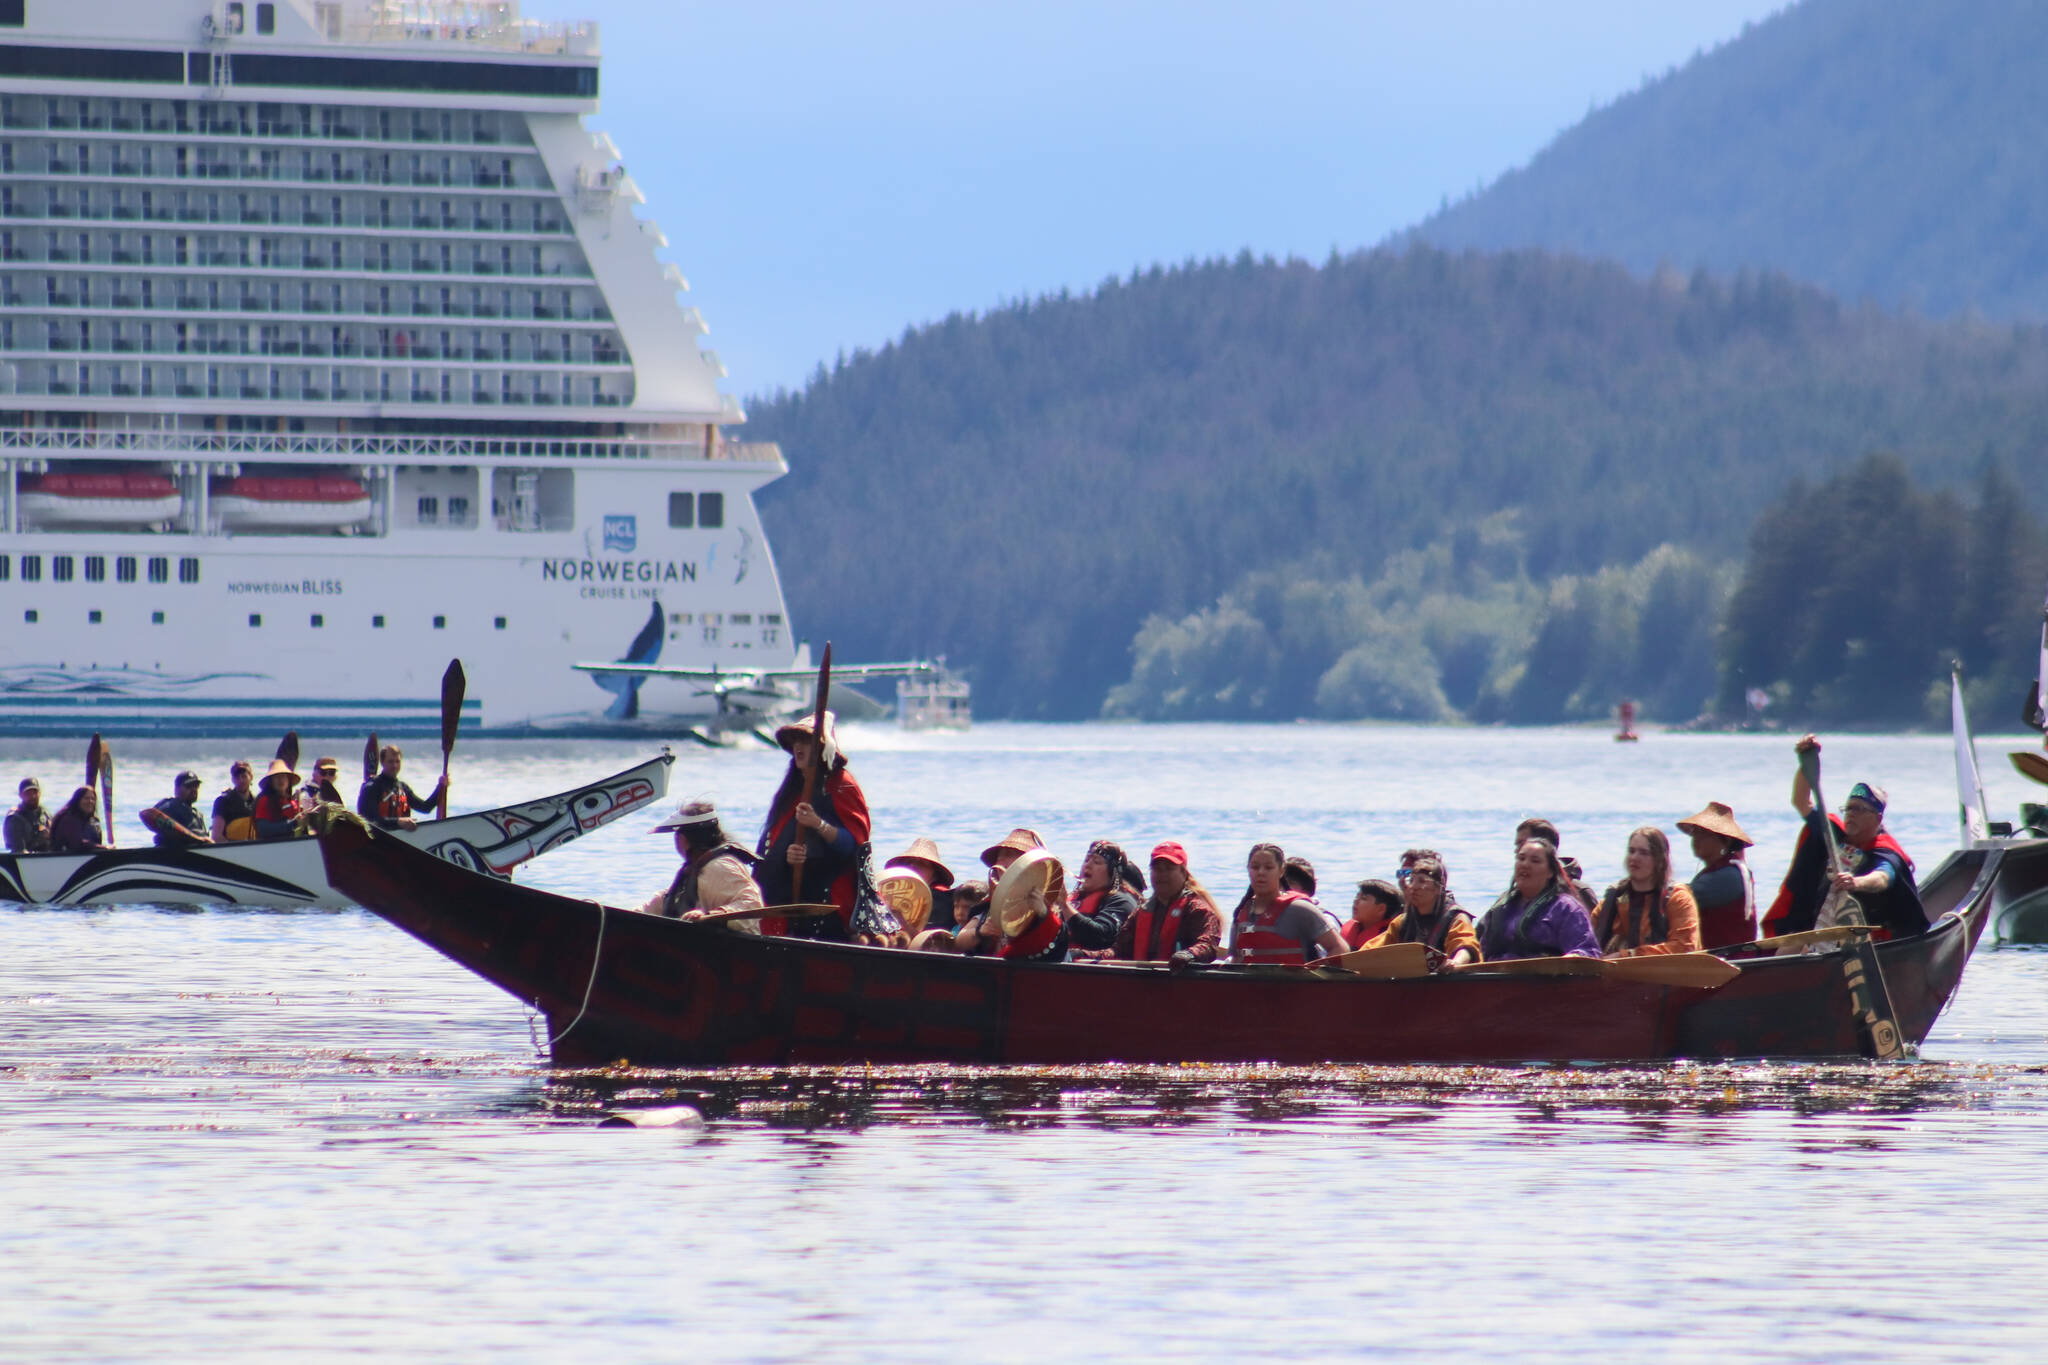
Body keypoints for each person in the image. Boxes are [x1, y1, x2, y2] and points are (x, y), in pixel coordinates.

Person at [1763, 734, 1928, 940]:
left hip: (1874, 935)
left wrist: (1856, 883)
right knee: (1787, 948)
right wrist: (1806, 761)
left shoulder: (1885, 850)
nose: (1850, 814)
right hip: (1822, 926)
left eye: (1859, 809)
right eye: (1848, 808)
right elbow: (1800, 801)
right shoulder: (1834, 832)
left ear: (1877, 819)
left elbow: (1882, 878)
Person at [754, 712, 877, 942]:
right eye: (795, 741)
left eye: (806, 741)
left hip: (829, 901)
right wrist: (788, 856)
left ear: (822, 748)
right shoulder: (791, 790)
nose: (798, 747)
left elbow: (853, 844)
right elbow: (774, 843)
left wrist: (818, 824)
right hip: (789, 901)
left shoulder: (842, 784)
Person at [636, 800, 764, 932]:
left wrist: (713, 915)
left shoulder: (718, 867)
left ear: (683, 840)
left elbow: (752, 903)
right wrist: (635, 914)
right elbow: (663, 901)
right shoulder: (695, 870)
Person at [1091, 841, 1223, 964]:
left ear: (1183, 873)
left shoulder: (1198, 910)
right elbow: (1118, 950)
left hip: (1179, 977)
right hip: (1142, 979)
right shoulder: (1141, 911)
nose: (1162, 874)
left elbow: (1208, 945)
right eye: (1157, 869)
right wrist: (1086, 955)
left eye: (1168, 868)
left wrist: (1188, 955)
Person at [1470, 839, 1601, 963]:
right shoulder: (1501, 907)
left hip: (1545, 977)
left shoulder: (1566, 909)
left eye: (1535, 861)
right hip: (1495, 976)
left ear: (1550, 872)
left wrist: (1570, 959)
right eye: (1521, 858)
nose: (1525, 864)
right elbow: (1478, 948)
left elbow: (1588, 951)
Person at [1228, 842, 1349, 965]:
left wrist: (1314, 973)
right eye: (1255, 867)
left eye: (1269, 867)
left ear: (1281, 871)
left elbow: (1340, 948)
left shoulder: (1300, 909)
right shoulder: (1241, 913)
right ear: (1248, 870)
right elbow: (1235, 960)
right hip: (1249, 978)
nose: (1261, 872)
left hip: (1296, 977)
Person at [1593, 827, 1702, 957]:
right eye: (1631, 851)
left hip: (1667, 969)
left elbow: (1684, 948)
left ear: (1660, 861)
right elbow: (1586, 941)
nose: (1634, 858)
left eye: (1644, 853)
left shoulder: (1678, 899)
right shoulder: (1614, 900)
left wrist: (1628, 955)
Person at [1363, 853, 1481, 969]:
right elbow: (1374, 948)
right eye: (1412, 880)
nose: (1413, 887)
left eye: (1422, 881)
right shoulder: (1401, 922)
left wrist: (1455, 963)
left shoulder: (1456, 919)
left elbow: (1466, 946)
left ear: (1438, 888)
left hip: (1448, 976)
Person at [1677, 801, 1758, 949]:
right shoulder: (1720, 870)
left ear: (1724, 840)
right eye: (1695, 832)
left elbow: (1679, 900)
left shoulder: (1729, 876)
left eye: (1703, 833)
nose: (1696, 838)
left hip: (1730, 958)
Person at [1066, 840, 1140, 953]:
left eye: (1096, 862)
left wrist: (1064, 906)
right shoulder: (1072, 899)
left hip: (1091, 961)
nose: (1088, 865)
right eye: (1086, 860)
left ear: (1113, 872)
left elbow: (1100, 937)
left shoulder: (1122, 902)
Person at [357, 745, 447, 831]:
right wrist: (398, 822)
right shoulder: (372, 787)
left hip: (400, 837)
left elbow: (425, 808)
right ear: (382, 762)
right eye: (390, 762)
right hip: (378, 838)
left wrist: (441, 786)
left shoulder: (402, 787)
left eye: (397, 761)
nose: (395, 766)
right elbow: (369, 819)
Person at [886, 838, 957, 928]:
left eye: (922, 863)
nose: (913, 866)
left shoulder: (943, 899)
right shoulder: (890, 894)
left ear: (935, 874)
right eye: (908, 862)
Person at [141, 770, 211, 847]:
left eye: (196, 786)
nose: (194, 789)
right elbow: (147, 814)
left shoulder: (198, 815)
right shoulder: (171, 806)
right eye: (189, 786)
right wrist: (197, 839)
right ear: (176, 789)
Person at [250, 759, 305, 840]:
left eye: (283, 776)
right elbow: (263, 829)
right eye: (276, 777)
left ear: (288, 780)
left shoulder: (293, 802)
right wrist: (293, 824)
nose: (280, 780)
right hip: (272, 844)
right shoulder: (264, 800)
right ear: (271, 782)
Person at [1341, 878, 1402, 950]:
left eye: (1364, 898)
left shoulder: (1389, 938)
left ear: (1381, 909)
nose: (1356, 900)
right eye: (1357, 896)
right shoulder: (1351, 928)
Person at [49, 786, 106, 853]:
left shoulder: (95, 821)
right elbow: (76, 843)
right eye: (86, 798)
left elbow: (98, 843)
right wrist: (103, 847)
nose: (90, 801)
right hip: (66, 857)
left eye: (93, 799)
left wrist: (102, 848)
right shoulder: (68, 818)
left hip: (91, 856)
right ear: (77, 801)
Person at [211, 761, 257, 841]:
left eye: (244, 776)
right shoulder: (222, 801)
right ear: (232, 780)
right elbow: (216, 836)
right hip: (231, 846)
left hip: (254, 845)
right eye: (237, 777)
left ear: (251, 777)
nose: (241, 780)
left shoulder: (257, 802)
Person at [5, 777, 51, 853]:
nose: (33, 796)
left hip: (48, 856)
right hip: (23, 858)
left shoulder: (46, 814)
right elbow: (19, 851)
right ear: (20, 795)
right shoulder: (14, 819)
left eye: (35, 792)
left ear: (40, 793)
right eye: (28, 793)